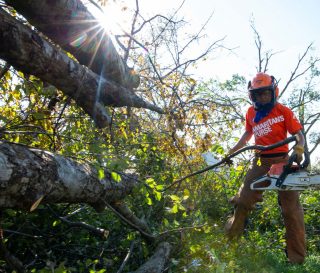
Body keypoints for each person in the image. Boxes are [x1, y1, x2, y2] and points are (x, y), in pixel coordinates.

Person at [225, 72, 306, 264]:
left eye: (265, 93)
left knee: (291, 210)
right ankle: (230, 243)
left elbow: (298, 133)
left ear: (273, 92)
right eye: (258, 94)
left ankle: (296, 259)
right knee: (243, 201)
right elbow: (246, 136)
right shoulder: (251, 113)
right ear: (252, 96)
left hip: (283, 160)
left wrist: (300, 148)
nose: (262, 97)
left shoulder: (283, 110)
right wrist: (230, 152)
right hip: (260, 160)